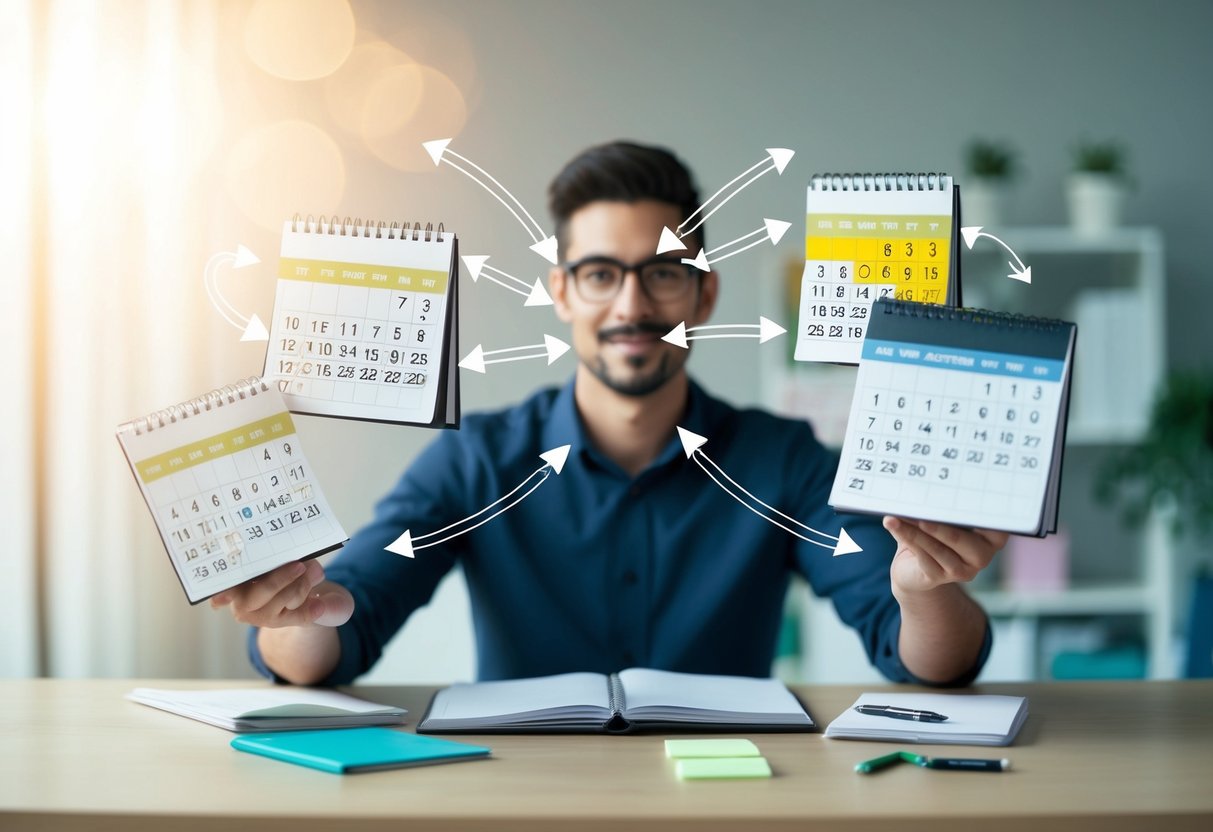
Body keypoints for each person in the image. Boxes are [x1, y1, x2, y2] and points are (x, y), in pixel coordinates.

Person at [212, 141, 1005, 687]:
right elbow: (337, 641)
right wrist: (294, 609)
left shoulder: (785, 460)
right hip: (529, 805)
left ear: (703, 293)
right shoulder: (477, 461)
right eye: (598, 273)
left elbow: (927, 664)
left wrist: (924, 590)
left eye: (662, 273)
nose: (632, 305)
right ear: (561, 294)